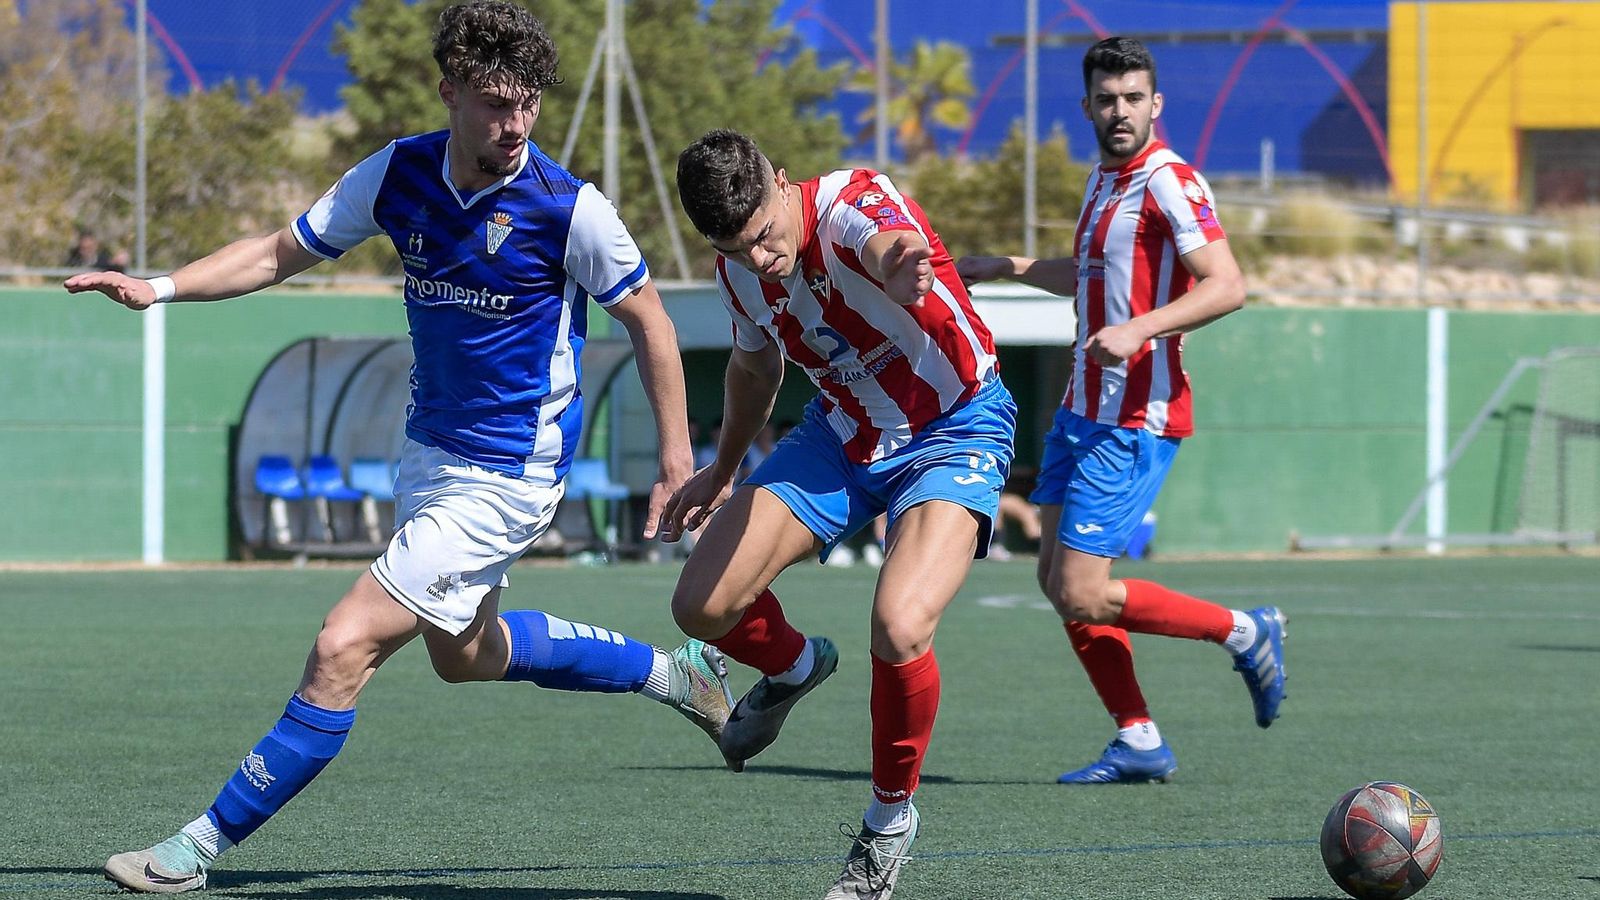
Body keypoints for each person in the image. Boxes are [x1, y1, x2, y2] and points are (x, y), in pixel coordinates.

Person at [64, 3, 731, 892]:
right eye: (496, 104)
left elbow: (650, 320)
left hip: (510, 475)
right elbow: (273, 253)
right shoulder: (398, 174)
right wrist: (158, 287)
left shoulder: (569, 208)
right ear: (449, 91)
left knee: (344, 644)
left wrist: (678, 458)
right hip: (430, 455)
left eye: (528, 104)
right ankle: (674, 675)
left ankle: (196, 849)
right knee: (466, 656)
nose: (515, 125)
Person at [666, 129, 1015, 900]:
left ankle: (887, 826)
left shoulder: (856, 202)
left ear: (781, 182)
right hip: (843, 432)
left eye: (762, 235)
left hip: (954, 426)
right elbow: (757, 365)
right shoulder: (739, 273)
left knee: (898, 625)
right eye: (733, 247)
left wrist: (901, 262)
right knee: (700, 605)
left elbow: (887, 241)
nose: (757, 258)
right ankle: (793, 665)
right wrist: (722, 472)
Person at [957, 36, 1286, 785]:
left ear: (1156, 104)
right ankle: (1139, 738)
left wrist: (1141, 328)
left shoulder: (1169, 179)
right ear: (1087, 108)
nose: (1120, 111)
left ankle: (1245, 631)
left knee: (1082, 588)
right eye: (1106, 100)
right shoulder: (1105, 181)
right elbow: (1086, 275)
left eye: (1133, 98)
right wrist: (1005, 267)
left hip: (1136, 413)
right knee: (1055, 580)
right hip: (1082, 410)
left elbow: (1227, 284)